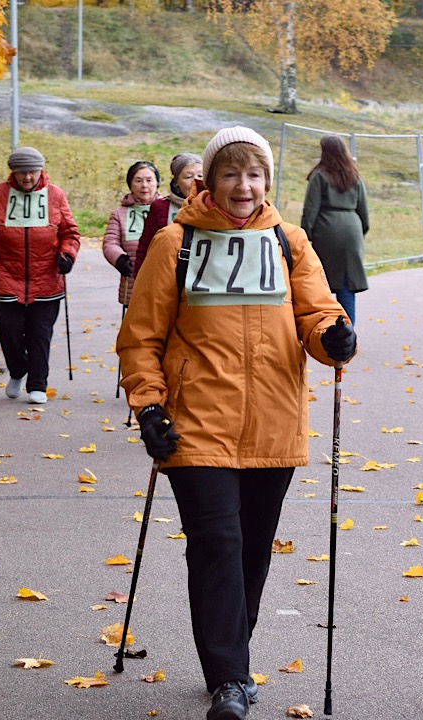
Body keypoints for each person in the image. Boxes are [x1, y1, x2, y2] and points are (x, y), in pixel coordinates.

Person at [117, 126, 357, 720]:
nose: (243, 185)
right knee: (216, 543)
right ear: (209, 179)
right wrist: (147, 405)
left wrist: (333, 339)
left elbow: (317, 313)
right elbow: (140, 336)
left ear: (267, 180)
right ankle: (229, 677)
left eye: (253, 174)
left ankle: (232, 649)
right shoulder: (176, 243)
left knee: (251, 548)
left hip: (274, 420)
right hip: (195, 422)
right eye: (230, 173)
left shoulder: (289, 241)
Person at [0, 146, 80, 405]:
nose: (28, 178)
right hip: (7, 274)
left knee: (39, 332)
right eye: (22, 173)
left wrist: (67, 254)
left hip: (47, 277)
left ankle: (37, 384)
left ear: (41, 171)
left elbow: (70, 233)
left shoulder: (55, 195)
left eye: (32, 172)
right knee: (8, 329)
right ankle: (18, 370)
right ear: (13, 173)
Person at [300, 135, 369, 325]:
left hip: (326, 232)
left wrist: (304, 237)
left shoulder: (319, 175)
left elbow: (310, 210)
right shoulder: (355, 176)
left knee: (320, 284)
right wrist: (357, 235)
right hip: (352, 232)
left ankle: (326, 332)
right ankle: (348, 334)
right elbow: (364, 214)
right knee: (346, 287)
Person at [132, 152, 203, 278]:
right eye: (188, 177)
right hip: (166, 277)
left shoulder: (215, 207)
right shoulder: (160, 207)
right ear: (176, 182)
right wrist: (139, 281)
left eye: (200, 175)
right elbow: (145, 248)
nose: (196, 181)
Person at [102, 161, 162, 306]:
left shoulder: (167, 210)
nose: (144, 186)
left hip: (164, 281)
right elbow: (110, 242)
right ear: (131, 185)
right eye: (138, 180)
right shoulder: (119, 213)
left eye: (149, 180)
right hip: (133, 282)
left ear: (157, 183)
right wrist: (119, 258)